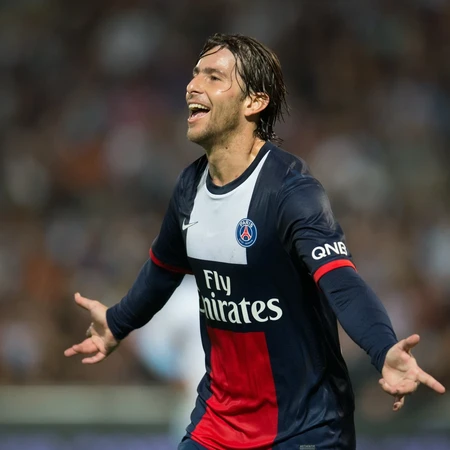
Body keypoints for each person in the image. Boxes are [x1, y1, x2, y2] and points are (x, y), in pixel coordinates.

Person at [64, 33, 446, 450]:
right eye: (195, 74)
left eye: (213, 77)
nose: (192, 86)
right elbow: (163, 269)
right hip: (218, 424)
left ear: (254, 102)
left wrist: (383, 348)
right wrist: (118, 322)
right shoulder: (189, 187)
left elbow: (341, 282)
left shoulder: (291, 191)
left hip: (305, 427)